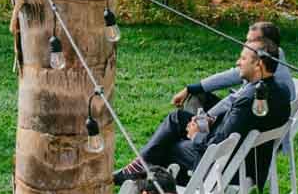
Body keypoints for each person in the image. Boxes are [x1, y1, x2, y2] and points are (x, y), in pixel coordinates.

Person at [118, 41, 286, 186]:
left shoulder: (249, 100)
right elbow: (237, 128)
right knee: (177, 118)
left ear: (259, 64)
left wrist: (196, 135)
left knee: (167, 147)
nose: (237, 62)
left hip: (229, 165)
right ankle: (140, 169)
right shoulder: (279, 91)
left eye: (243, 58)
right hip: (247, 159)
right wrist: (213, 120)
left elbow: (216, 145)